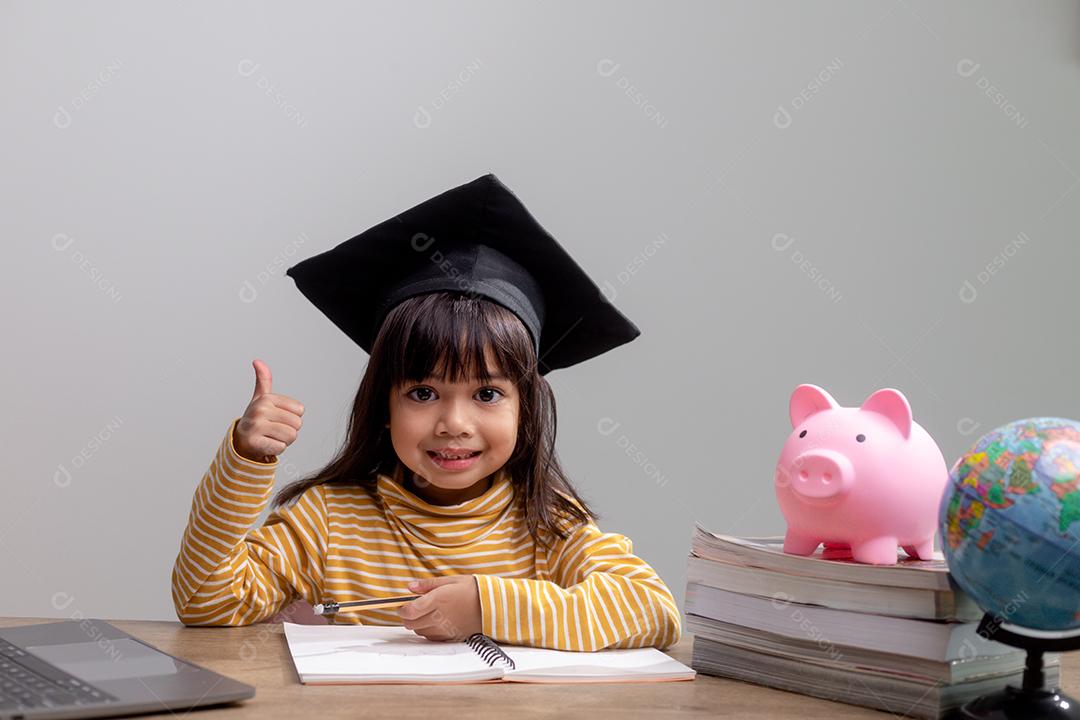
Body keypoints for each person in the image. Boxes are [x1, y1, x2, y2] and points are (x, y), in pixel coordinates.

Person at [171, 174, 681, 652]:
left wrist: (486, 606)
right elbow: (208, 601)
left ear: (526, 408)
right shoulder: (329, 521)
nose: (454, 423)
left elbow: (654, 611)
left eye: (487, 394)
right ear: (383, 406)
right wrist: (244, 459)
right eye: (422, 393)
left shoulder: (548, 526)